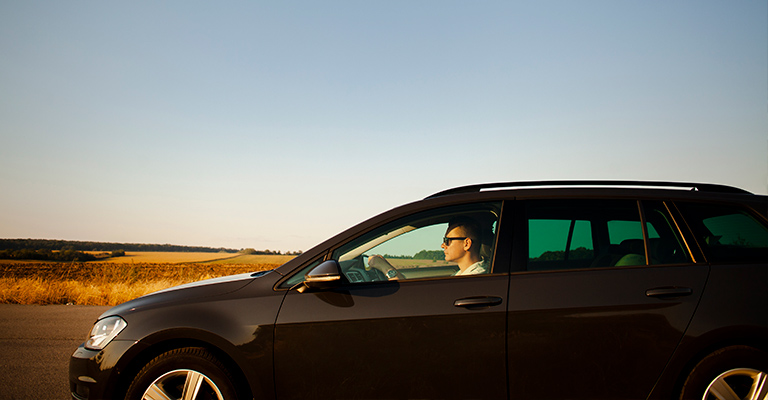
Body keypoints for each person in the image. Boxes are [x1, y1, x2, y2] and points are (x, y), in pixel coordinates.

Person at [367, 216, 489, 280]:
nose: (442, 245)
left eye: (447, 240)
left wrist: (384, 267)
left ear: (466, 244)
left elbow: (410, 298)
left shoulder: (475, 278)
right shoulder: (464, 274)